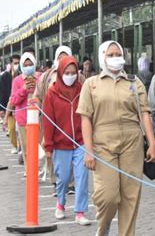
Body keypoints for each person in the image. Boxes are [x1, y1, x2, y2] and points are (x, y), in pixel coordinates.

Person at [77, 40, 155, 236]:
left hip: (132, 141)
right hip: (102, 143)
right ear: (102, 57)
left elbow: (145, 114)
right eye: (110, 55)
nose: (115, 58)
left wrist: (153, 143)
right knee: (108, 196)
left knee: (131, 195)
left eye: (118, 54)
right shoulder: (91, 84)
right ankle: (103, 228)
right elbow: (85, 118)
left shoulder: (134, 81)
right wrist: (88, 150)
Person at [42, 55, 90, 225]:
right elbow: (47, 121)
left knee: (82, 176)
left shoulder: (83, 90)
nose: (70, 76)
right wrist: (48, 145)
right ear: (60, 73)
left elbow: (88, 114)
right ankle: (61, 203)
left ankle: (80, 211)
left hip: (80, 142)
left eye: (73, 73)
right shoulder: (51, 94)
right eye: (66, 73)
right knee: (63, 177)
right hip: (60, 143)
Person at [34, 46, 81, 196]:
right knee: (52, 152)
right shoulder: (46, 76)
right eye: (60, 57)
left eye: (65, 56)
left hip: (74, 122)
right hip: (51, 121)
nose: (63, 60)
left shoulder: (79, 77)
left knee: (74, 153)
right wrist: (36, 107)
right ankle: (56, 181)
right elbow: (38, 95)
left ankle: (71, 184)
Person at [10, 52, 41, 175]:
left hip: (39, 118)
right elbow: (14, 100)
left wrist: (35, 90)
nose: (28, 66)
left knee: (39, 146)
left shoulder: (40, 78)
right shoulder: (17, 81)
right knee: (27, 147)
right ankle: (30, 170)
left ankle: (39, 167)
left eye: (31, 64)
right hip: (23, 119)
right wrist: (23, 89)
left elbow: (45, 96)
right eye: (26, 64)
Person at [0, 55, 20, 154]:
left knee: (21, 129)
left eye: (18, 63)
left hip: (20, 107)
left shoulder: (22, 75)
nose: (17, 65)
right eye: (15, 63)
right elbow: (2, 92)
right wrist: (1, 108)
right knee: (11, 129)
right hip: (10, 106)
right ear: (11, 64)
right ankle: (14, 145)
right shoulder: (5, 76)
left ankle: (21, 146)